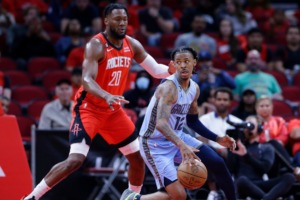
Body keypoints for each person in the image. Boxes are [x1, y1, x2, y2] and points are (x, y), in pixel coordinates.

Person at [22, 3, 175, 200]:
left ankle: (132, 198)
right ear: (106, 21)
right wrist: (106, 95)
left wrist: (171, 70)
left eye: (124, 20)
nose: (122, 23)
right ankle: (32, 197)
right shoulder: (96, 45)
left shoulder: (132, 44)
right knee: (75, 160)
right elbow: (86, 81)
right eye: (117, 19)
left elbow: (155, 70)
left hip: (113, 112)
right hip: (89, 109)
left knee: (137, 159)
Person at [121, 47, 237, 200]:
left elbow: (193, 121)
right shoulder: (169, 87)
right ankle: (133, 199)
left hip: (177, 137)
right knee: (178, 196)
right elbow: (160, 124)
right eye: (179, 62)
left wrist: (217, 139)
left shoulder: (194, 88)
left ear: (194, 63)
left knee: (217, 162)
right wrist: (182, 145)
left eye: (187, 61)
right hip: (154, 143)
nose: (183, 65)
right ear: (173, 65)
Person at [231, 115, 296, 200]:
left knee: (289, 177)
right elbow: (230, 169)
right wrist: (232, 145)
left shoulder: (266, 147)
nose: (248, 128)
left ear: (259, 128)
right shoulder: (237, 147)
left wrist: (246, 155)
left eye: (251, 125)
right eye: (246, 125)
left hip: (259, 183)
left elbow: (264, 168)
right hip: (242, 185)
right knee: (241, 180)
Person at [198, 87, 242, 200]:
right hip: (212, 153)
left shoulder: (238, 122)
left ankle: (230, 186)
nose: (222, 102)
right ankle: (213, 192)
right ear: (214, 100)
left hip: (233, 155)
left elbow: (241, 144)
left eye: (225, 99)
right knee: (207, 152)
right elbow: (200, 141)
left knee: (237, 153)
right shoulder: (204, 119)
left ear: (230, 102)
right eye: (219, 99)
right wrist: (218, 150)